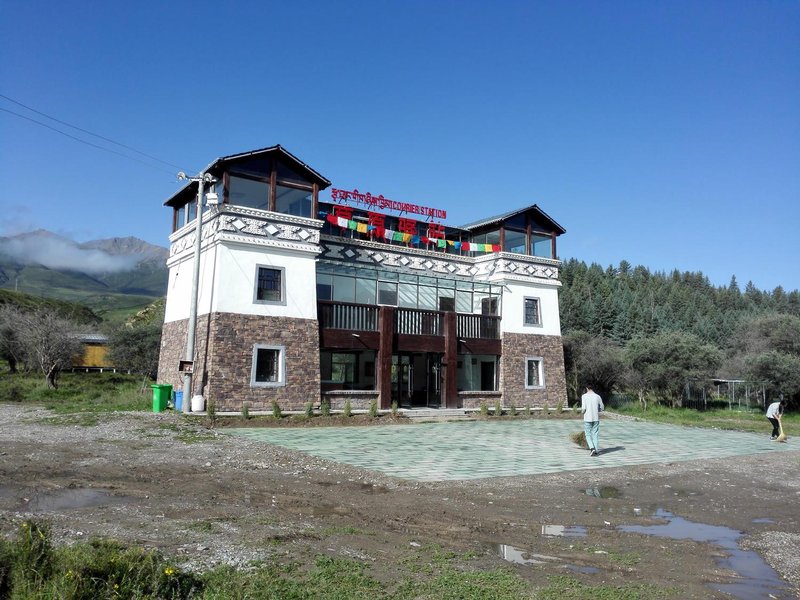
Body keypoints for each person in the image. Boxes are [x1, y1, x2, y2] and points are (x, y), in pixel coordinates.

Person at [581, 385, 604, 456]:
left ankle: (592, 448)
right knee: (595, 434)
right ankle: (596, 450)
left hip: (587, 418)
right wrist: (598, 410)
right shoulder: (597, 396)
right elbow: (602, 407)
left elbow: (584, 408)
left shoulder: (584, 396)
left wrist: (582, 413)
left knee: (588, 434)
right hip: (596, 418)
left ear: (587, 388)